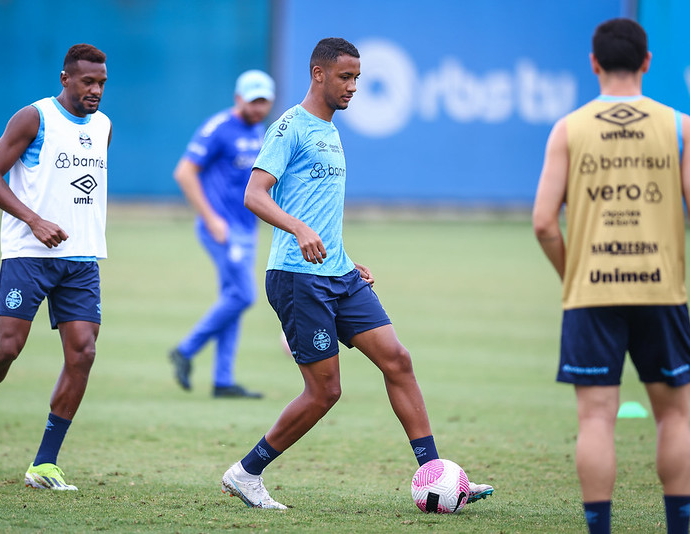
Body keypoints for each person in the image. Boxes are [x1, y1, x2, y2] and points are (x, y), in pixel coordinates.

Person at [220, 37, 494, 509]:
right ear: (318, 74)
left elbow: (318, 207)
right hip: (297, 276)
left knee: (398, 360)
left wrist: (343, 255)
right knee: (325, 391)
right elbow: (256, 194)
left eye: (358, 79)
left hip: (338, 273)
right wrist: (299, 228)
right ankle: (247, 473)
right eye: (345, 77)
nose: (353, 87)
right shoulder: (290, 126)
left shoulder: (330, 129)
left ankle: (435, 474)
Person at [0, 44, 112, 491]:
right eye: (88, 82)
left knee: (83, 353)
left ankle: (44, 464)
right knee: (8, 348)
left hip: (81, 259)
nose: (96, 91)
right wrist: (34, 220)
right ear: (65, 78)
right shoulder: (34, 118)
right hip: (28, 255)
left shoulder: (103, 126)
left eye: (102, 83)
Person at [533, 18, 690, 534]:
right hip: (660, 286)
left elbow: (543, 223)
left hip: (591, 291)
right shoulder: (678, 127)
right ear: (647, 62)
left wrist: (572, 276)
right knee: (675, 417)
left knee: (596, 420)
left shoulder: (569, 128)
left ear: (594, 64)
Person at [168, 70, 275, 399]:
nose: (258, 108)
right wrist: (211, 218)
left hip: (246, 230)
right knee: (244, 295)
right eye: (252, 100)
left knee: (233, 299)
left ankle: (223, 380)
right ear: (238, 98)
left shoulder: (260, 130)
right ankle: (185, 350)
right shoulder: (218, 128)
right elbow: (184, 172)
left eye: (264, 102)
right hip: (221, 229)